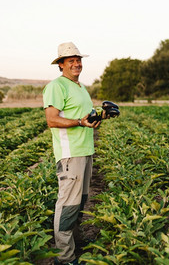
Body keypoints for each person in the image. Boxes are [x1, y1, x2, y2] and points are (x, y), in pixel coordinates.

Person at [43, 42, 100, 265]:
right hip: (70, 154)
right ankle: (64, 257)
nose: (76, 64)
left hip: (85, 150)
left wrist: (99, 117)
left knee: (80, 201)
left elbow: (84, 118)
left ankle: (74, 244)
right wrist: (79, 121)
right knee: (67, 205)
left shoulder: (80, 87)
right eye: (71, 61)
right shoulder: (57, 86)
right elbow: (51, 119)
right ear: (61, 64)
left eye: (78, 60)